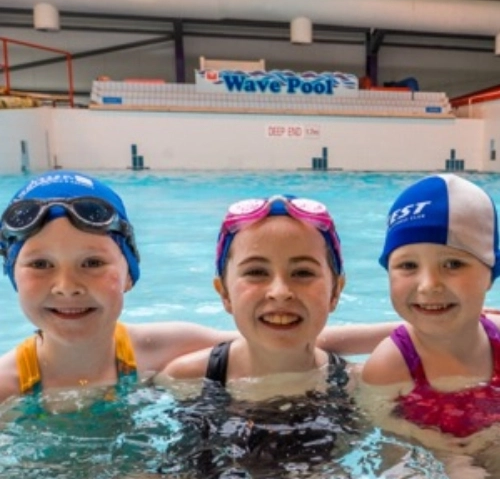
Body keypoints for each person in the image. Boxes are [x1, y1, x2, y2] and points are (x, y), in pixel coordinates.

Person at [0, 171, 393, 406]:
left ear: (130, 273)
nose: (67, 286)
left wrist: (415, 333)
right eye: (40, 264)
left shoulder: (154, 348)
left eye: (92, 263)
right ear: (12, 275)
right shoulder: (7, 385)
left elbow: (267, 338)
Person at [160, 194, 354, 395]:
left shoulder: (355, 386)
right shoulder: (186, 380)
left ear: (335, 291)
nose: (280, 292)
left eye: (303, 273)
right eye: (256, 272)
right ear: (224, 293)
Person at [361, 172, 500, 440]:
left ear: (491, 274)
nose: (428, 285)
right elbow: (390, 452)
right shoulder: (389, 366)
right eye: (408, 265)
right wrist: (449, 455)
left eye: (453, 264)